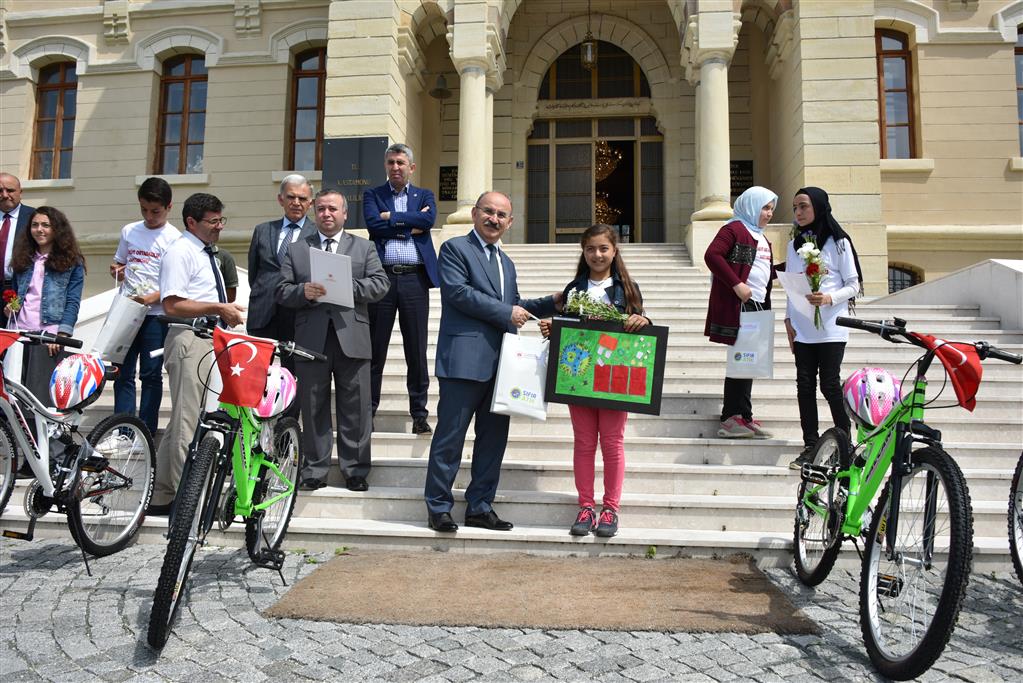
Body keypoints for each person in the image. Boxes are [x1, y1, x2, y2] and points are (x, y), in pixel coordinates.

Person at [423, 191, 561, 533]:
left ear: (510, 223)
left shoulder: (506, 263)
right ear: (474, 213)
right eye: (489, 212)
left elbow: (515, 304)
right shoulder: (455, 249)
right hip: (463, 362)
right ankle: (439, 507)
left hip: (503, 367)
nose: (494, 219)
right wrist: (506, 311)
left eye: (502, 215)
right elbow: (458, 293)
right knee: (449, 438)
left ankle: (480, 507)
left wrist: (552, 302)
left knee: (493, 441)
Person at [539, 224, 650, 538]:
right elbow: (569, 330)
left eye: (603, 248)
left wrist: (643, 319)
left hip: (614, 377)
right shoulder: (574, 290)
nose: (597, 254)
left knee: (612, 444)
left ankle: (610, 509)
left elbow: (642, 327)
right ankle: (586, 506)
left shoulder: (627, 289)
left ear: (614, 251)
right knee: (584, 444)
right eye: (591, 249)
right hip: (581, 376)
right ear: (583, 252)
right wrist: (553, 328)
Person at [277, 188, 389, 492]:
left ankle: (355, 469)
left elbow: (380, 285)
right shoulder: (298, 249)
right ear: (316, 212)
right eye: (322, 209)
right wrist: (303, 292)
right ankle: (314, 468)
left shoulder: (364, 248)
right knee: (313, 407)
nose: (327, 214)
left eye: (333, 209)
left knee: (356, 407)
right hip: (311, 339)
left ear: (344, 214)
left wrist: (347, 287)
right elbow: (282, 291)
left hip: (351, 337)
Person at [150, 193, 245, 516]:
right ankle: (188, 499)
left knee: (185, 418)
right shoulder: (180, 252)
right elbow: (172, 304)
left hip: (207, 339)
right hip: (189, 338)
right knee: (189, 422)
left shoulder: (205, 252)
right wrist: (219, 307)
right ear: (192, 222)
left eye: (221, 220)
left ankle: (163, 494)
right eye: (213, 221)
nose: (219, 227)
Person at [784, 186, 863, 470]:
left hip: (831, 326)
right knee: (804, 386)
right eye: (795, 208)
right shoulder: (794, 244)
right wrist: (787, 319)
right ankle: (810, 445)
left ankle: (846, 444)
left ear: (818, 206)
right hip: (803, 327)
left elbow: (853, 284)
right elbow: (792, 284)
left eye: (803, 206)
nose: (798, 213)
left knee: (830, 384)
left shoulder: (838, 242)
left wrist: (829, 297)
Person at [363, 143, 438, 435]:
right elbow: (372, 225)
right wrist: (410, 223)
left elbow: (429, 220)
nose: (396, 167)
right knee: (375, 348)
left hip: (414, 280)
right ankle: (368, 411)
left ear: (412, 167)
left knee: (416, 350)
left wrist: (390, 218)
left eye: (401, 162)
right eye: (391, 162)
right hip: (381, 279)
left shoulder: (425, 195)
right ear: (386, 165)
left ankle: (419, 414)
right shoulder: (373, 194)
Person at [703, 186, 778, 440]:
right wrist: (737, 284)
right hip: (741, 305)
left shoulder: (760, 236)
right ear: (751, 207)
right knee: (742, 360)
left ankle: (743, 416)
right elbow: (712, 255)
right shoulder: (733, 229)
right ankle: (730, 418)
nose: (769, 214)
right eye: (765, 208)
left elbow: (762, 270)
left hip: (758, 305)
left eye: (771, 209)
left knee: (749, 362)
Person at [110, 177, 181, 436]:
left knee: (151, 374)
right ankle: (123, 430)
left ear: (168, 207)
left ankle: (145, 430)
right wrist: (117, 271)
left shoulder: (175, 239)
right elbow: (119, 263)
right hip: (127, 312)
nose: (149, 216)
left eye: (155, 211)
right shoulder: (130, 231)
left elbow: (176, 283)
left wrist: (151, 299)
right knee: (122, 370)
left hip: (156, 315)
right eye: (144, 210)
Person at [4, 206, 85, 403]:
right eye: (35, 225)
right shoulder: (24, 258)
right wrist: (10, 308)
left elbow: (73, 301)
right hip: (18, 335)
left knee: (40, 398)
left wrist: (61, 336)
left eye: (45, 225)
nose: (39, 229)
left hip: (48, 337)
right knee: (12, 397)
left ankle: (44, 434)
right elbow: (18, 293)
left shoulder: (72, 262)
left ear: (57, 229)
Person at [247, 175, 315, 341]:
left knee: (294, 367)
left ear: (310, 203)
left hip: (298, 314)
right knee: (258, 366)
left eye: (302, 198)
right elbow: (254, 272)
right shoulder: (262, 230)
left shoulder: (318, 235)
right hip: (263, 311)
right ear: (280, 199)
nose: (296, 202)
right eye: (291, 197)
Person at [0, 172, 36, 290]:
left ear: (20, 192)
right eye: (0, 191)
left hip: (21, 288)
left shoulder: (34, 217)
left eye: (10, 190)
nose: (4, 195)